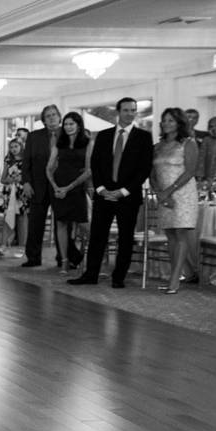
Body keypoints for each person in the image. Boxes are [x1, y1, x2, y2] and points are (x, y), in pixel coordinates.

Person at [69, 97, 153, 288]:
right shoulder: (103, 135)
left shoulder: (144, 137)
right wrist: (100, 189)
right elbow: (96, 165)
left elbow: (144, 169)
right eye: (126, 110)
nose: (130, 113)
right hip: (103, 195)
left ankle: (118, 277)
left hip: (128, 197)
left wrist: (122, 191)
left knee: (125, 238)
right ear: (118, 112)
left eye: (133, 110)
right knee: (97, 236)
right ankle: (91, 275)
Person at [22, 105, 78, 267]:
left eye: (54, 115)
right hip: (37, 186)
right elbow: (27, 162)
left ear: (60, 117)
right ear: (43, 120)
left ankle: (64, 258)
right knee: (35, 224)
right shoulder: (34, 137)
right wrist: (26, 182)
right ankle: (33, 258)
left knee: (62, 223)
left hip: (61, 186)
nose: (52, 118)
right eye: (48, 116)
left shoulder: (69, 134)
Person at [151, 108, 199, 294]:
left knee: (180, 233)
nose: (166, 123)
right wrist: (159, 193)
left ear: (179, 122)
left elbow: (190, 171)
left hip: (183, 193)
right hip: (163, 195)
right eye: (164, 120)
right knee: (170, 235)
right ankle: (177, 275)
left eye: (171, 120)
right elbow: (152, 173)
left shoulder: (188, 143)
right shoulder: (158, 146)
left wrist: (169, 191)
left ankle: (174, 280)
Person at [45, 112, 91, 274]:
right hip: (58, 188)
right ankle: (64, 262)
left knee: (86, 225)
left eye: (72, 124)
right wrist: (55, 185)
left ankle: (87, 261)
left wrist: (69, 187)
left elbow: (89, 170)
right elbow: (49, 168)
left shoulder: (87, 143)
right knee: (61, 224)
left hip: (76, 187)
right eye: (66, 124)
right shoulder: (59, 143)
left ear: (79, 125)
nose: (68, 127)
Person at [0, 138, 28, 258]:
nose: (14, 149)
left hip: (21, 191)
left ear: (21, 147)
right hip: (9, 191)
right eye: (12, 147)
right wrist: (8, 180)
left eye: (16, 146)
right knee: (7, 218)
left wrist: (22, 179)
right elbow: (2, 179)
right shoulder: (8, 160)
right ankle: (3, 245)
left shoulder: (26, 160)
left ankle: (22, 247)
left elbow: (30, 176)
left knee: (22, 219)